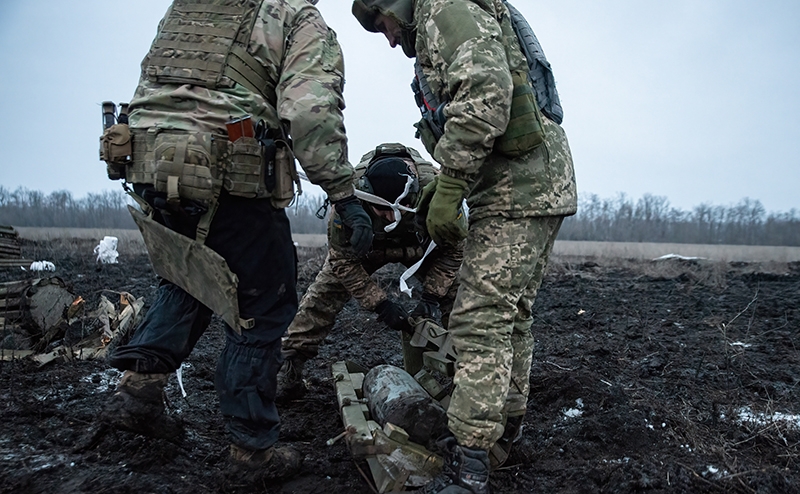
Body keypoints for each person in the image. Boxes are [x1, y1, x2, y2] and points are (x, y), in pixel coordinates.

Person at [97, 0, 373, 480]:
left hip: (148, 162)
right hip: (228, 170)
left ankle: (138, 394)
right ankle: (252, 452)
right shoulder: (294, 16)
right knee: (262, 306)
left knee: (188, 277)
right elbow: (309, 111)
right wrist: (343, 193)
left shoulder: (188, 8)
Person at [351, 0, 578, 492]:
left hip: (517, 188)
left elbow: (485, 91)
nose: (389, 38)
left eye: (383, 25)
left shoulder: (443, 8)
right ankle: (502, 435)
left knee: (478, 320)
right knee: (510, 316)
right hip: (536, 183)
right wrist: (444, 186)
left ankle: (469, 467)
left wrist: (451, 181)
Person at [278, 142, 464, 400]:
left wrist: (432, 297)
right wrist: (380, 304)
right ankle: (287, 369)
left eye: (399, 209)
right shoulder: (348, 200)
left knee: (464, 299)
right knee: (321, 299)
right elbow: (341, 261)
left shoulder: (437, 194)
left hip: (422, 248)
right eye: (383, 210)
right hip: (366, 247)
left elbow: (454, 251)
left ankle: (470, 376)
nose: (391, 218)